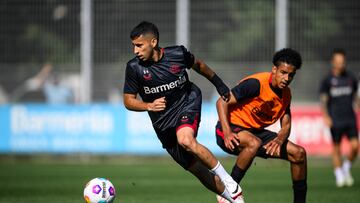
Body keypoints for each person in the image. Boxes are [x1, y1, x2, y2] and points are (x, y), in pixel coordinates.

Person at [123, 21, 244, 203]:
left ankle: (228, 180)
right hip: (163, 124)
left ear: (153, 42)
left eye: (139, 45)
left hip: (187, 102)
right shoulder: (134, 68)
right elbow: (128, 101)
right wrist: (148, 106)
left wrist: (219, 84)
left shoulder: (178, 54)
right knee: (199, 171)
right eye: (133, 46)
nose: (135, 51)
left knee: (186, 140)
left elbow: (199, 65)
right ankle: (234, 199)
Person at [215, 48, 307, 203]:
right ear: (274, 69)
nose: (286, 78)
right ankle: (230, 189)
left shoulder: (286, 94)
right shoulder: (256, 84)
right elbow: (221, 102)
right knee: (254, 143)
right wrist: (227, 132)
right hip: (230, 128)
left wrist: (280, 138)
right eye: (283, 72)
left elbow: (286, 124)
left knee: (298, 153)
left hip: (255, 133)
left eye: (291, 75)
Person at [319, 49, 359, 187]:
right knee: (336, 148)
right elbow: (323, 101)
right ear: (333, 62)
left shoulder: (350, 78)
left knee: (355, 146)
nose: (341, 64)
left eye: (343, 62)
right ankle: (339, 175)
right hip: (335, 119)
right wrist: (326, 116)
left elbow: (356, 96)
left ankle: (346, 167)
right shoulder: (327, 80)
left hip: (350, 118)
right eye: (338, 62)